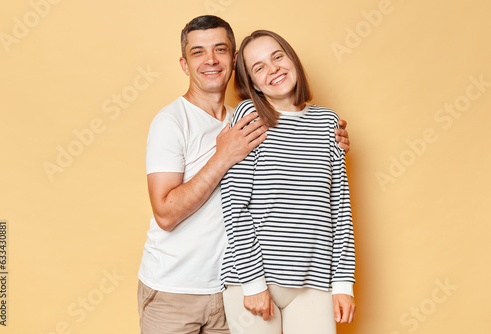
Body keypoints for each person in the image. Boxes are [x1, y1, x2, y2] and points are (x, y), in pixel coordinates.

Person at [137, 16, 351, 334]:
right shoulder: (173, 121)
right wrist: (223, 156)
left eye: (220, 49)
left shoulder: (247, 117)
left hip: (225, 286)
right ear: (184, 64)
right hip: (176, 288)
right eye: (198, 52)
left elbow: (325, 196)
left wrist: (326, 141)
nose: (210, 60)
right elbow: (166, 215)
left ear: (234, 60)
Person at [220, 30, 356, 334]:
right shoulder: (249, 116)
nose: (273, 69)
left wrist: (343, 283)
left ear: (291, 58)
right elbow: (234, 205)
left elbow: (340, 207)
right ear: (252, 84)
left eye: (277, 57)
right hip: (254, 279)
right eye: (259, 67)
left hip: (315, 280)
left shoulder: (328, 122)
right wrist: (253, 283)